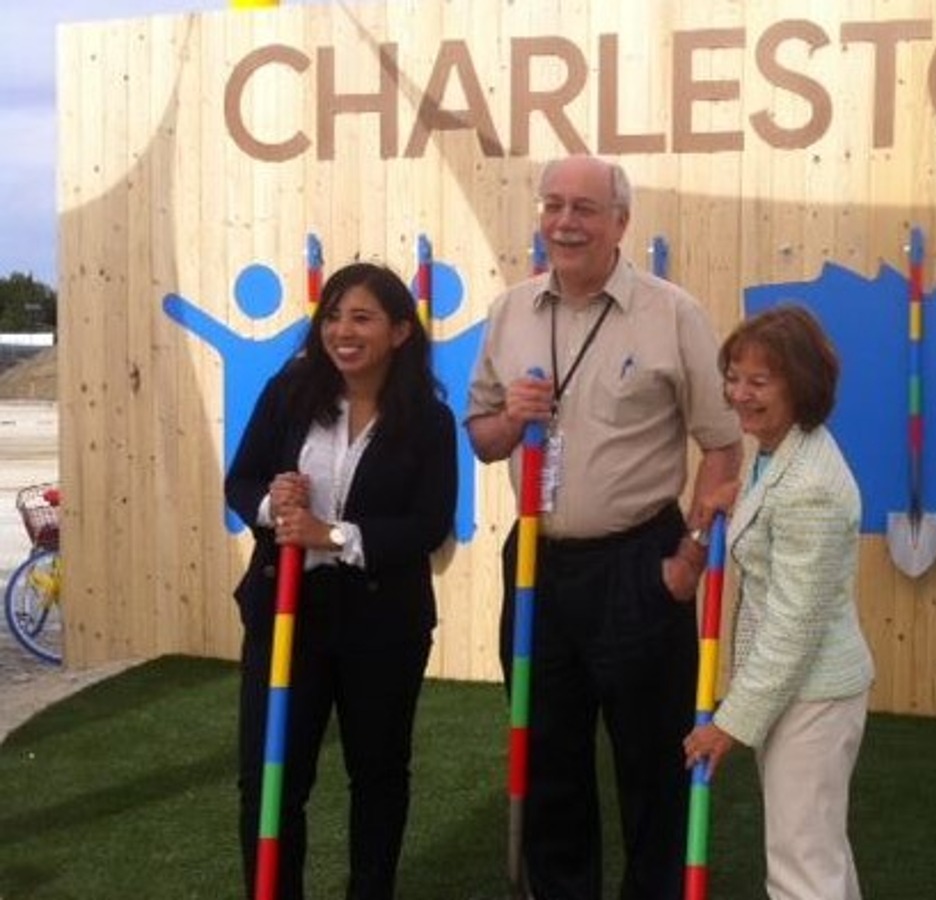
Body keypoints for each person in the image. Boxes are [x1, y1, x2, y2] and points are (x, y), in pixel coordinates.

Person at [466, 154, 743, 900]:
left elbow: (722, 443)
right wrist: (508, 420)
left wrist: (687, 559)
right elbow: (482, 436)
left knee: (652, 761)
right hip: (535, 565)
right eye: (553, 205)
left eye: (584, 208)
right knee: (549, 753)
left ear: (621, 221)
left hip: (639, 562)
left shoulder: (671, 313)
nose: (565, 222)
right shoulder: (510, 311)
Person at [226, 262, 457, 900]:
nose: (342, 331)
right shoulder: (290, 391)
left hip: (384, 621)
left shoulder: (428, 421)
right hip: (286, 614)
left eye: (361, 317)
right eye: (332, 316)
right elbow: (241, 481)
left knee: (378, 775)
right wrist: (275, 507)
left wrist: (332, 535)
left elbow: (428, 524)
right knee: (271, 777)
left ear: (401, 333)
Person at [682, 306, 875, 900]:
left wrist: (728, 725)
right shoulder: (783, 449)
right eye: (733, 376)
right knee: (817, 850)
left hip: (812, 691)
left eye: (758, 382)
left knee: (800, 867)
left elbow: (793, 629)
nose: (739, 394)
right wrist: (733, 498)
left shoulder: (811, 486)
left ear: (801, 385)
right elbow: (772, 494)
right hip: (806, 687)